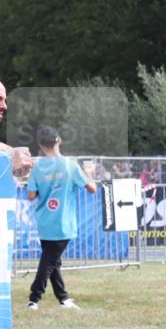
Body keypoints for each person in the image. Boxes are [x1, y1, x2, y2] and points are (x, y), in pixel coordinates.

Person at [26, 126, 97, 310]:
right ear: (58, 140)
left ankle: (63, 299)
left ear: (40, 145)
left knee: (53, 261)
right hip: (62, 222)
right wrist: (89, 172)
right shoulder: (70, 165)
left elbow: (31, 195)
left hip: (44, 221)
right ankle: (34, 298)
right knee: (49, 262)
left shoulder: (37, 167)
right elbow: (92, 188)